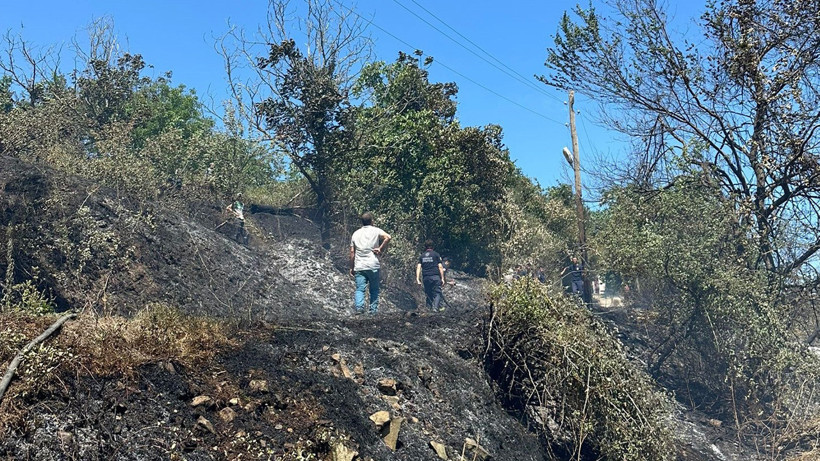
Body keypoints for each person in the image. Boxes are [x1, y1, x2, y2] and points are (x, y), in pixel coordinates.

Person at [350, 212, 391, 315]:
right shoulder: (376, 230)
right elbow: (388, 237)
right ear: (371, 221)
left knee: (360, 289)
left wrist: (352, 267)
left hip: (359, 266)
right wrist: (380, 248)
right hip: (373, 265)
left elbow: (352, 252)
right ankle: (373, 311)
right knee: (374, 289)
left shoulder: (355, 233)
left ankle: (359, 309)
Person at [416, 241, 446, 311]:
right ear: (433, 246)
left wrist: (417, 279)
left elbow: (418, 268)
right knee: (437, 293)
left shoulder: (422, 256)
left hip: (426, 277)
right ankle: (435, 308)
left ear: (425, 247)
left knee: (428, 293)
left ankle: (428, 309)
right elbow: (440, 267)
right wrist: (442, 278)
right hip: (435, 277)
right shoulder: (436, 255)